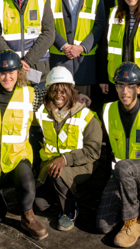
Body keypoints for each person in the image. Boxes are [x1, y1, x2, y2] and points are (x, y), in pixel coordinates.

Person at [0, 50, 48, 240]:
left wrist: (77, 99)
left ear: (19, 72)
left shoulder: (31, 95)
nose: (7, 77)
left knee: (28, 182)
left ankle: (28, 217)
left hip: (16, 158)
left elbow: (56, 99)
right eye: (2, 73)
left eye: (11, 72)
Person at [96, 62, 140, 248]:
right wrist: (108, 180)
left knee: (124, 167)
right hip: (121, 174)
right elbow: (110, 151)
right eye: (120, 85)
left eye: (130, 86)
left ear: (139, 88)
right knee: (102, 226)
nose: (124, 91)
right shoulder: (108, 110)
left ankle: (133, 222)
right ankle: (131, 200)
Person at [33, 66, 102, 231]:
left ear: (71, 91)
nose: (58, 96)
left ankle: (69, 210)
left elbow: (94, 151)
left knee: (59, 174)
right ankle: (60, 192)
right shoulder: (42, 112)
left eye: (63, 92)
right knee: (38, 205)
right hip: (49, 165)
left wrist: (65, 159)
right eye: (54, 91)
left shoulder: (86, 115)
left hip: (80, 164)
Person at [48, 0, 106, 95]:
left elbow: (99, 25)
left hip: (84, 62)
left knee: (82, 107)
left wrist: (82, 47)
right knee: (59, 103)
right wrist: (64, 45)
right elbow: (47, 24)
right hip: (59, 59)